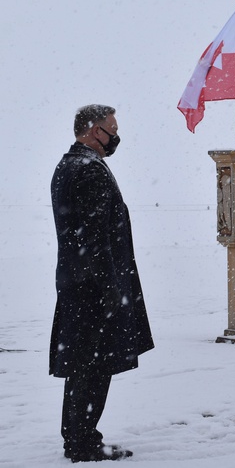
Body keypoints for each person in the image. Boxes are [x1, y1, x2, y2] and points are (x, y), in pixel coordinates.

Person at [50, 104, 154, 462]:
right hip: (93, 289)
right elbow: (94, 239)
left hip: (77, 285)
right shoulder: (88, 171)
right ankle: (82, 442)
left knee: (83, 367)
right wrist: (110, 288)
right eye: (112, 128)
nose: (115, 136)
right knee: (93, 368)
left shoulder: (69, 165)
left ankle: (78, 437)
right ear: (95, 130)